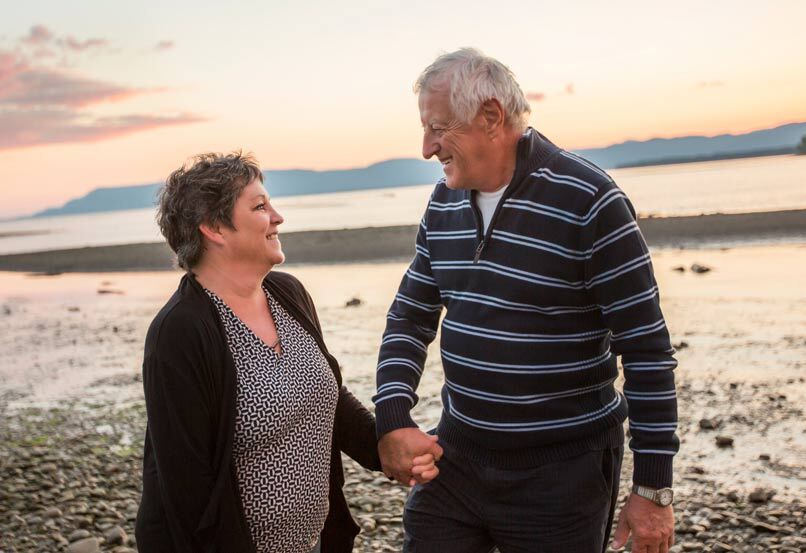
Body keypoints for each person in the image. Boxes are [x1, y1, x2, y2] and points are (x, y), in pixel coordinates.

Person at [374, 48, 679, 552]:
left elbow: (647, 351)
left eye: (438, 128)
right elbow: (410, 316)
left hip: (562, 475)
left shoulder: (589, 201)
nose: (427, 147)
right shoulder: (443, 201)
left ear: (491, 117)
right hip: (459, 456)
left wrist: (652, 489)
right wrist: (393, 417)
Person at [134, 152, 439, 553]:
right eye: (260, 206)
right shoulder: (180, 331)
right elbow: (188, 490)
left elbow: (327, 397)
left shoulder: (288, 293)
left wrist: (386, 447)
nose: (278, 217)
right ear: (213, 228)